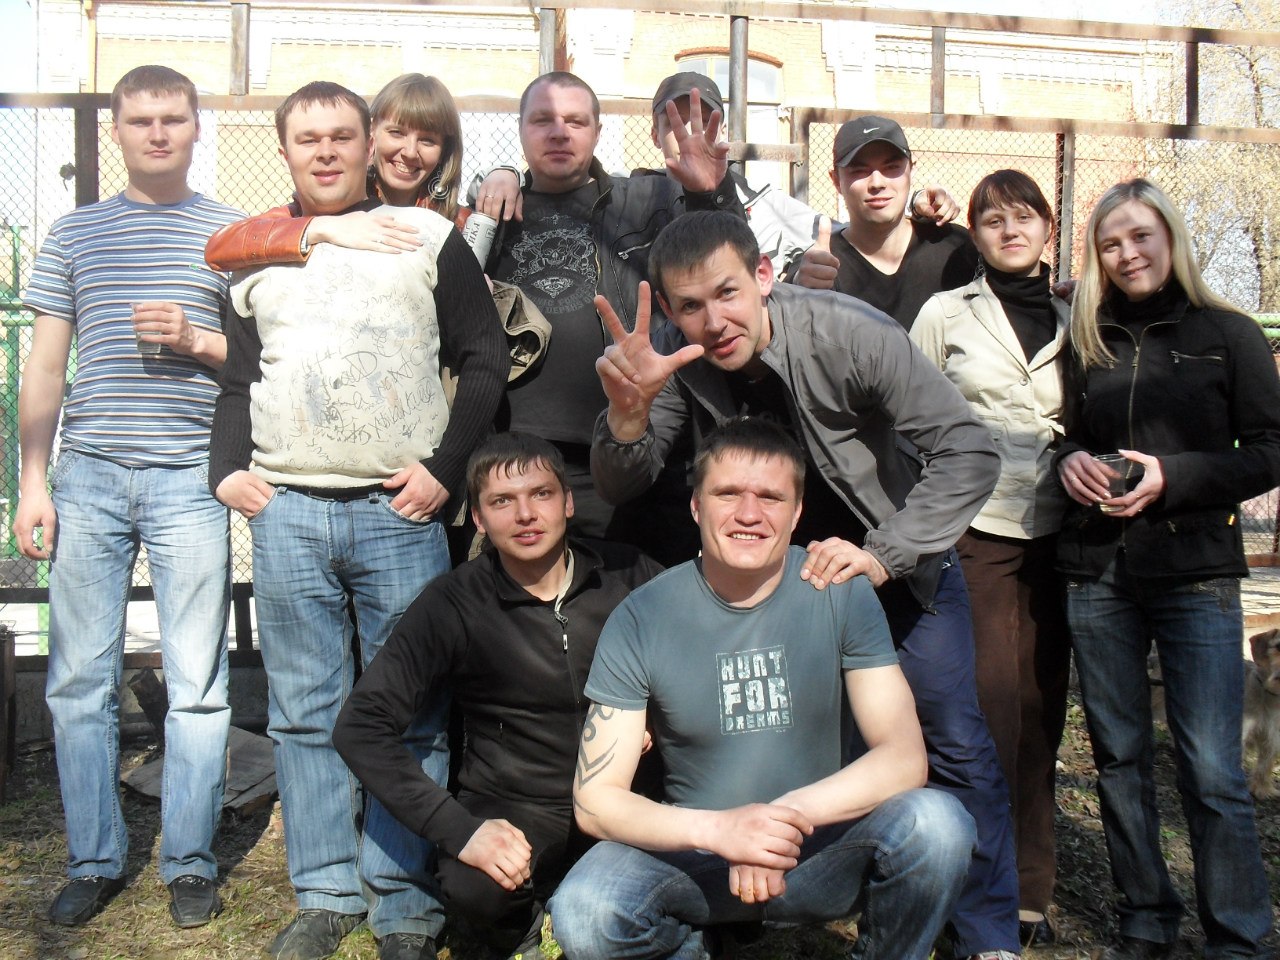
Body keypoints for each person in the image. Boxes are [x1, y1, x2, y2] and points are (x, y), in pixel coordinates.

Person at [591, 209, 1023, 960]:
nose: (713, 322)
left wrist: (886, 553)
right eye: (690, 305)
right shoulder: (673, 355)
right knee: (758, 734)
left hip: (891, 563)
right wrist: (627, 418)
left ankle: (986, 936)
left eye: (727, 293)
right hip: (773, 577)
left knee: (950, 738)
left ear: (763, 276)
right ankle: (733, 907)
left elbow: (969, 450)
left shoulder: (848, 333)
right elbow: (623, 482)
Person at [209, 81, 507, 960]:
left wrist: (445, 471)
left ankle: (405, 903)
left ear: (368, 142)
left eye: (342, 135)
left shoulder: (425, 236)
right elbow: (238, 381)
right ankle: (326, 893)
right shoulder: (258, 254)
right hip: (288, 512)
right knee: (303, 713)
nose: (327, 152)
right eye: (309, 139)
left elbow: (485, 357)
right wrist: (226, 471)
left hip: (397, 514)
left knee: (410, 712)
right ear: (285, 151)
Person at [551, 417, 975, 960]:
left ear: (797, 512)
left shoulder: (837, 590)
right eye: (728, 494)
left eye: (771, 498)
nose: (749, 514)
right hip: (699, 855)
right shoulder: (642, 616)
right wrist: (724, 831)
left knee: (938, 826)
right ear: (696, 506)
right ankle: (696, 945)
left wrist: (777, 822)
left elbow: (903, 757)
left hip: (821, 847)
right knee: (585, 911)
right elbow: (595, 801)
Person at [13, 64, 241, 931]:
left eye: (172, 118)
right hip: (90, 478)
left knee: (198, 684)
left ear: (196, 125)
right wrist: (33, 481)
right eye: (140, 119)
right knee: (78, 680)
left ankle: (188, 860)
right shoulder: (75, 233)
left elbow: (258, 359)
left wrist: (196, 337)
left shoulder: (229, 233)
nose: (157, 132)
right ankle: (94, 858)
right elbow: (45, 368)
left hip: (190, 479)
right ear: (115, 129)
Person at [1054, 178, 1280, 960]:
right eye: (1111, 244)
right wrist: (1068, 461)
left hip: (1195, 570)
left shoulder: (1228, 332)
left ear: (1171, 238)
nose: (1127, 254)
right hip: (1099, 569)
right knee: (1119, 758)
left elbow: (1271, 450)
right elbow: (1064, 434)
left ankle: (1238, 937)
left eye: (1140, 237)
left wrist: (1173, 477)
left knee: (1211, 768)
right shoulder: (1089, 338)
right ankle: (1145, 919)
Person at [332, 432, 662, 959]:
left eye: (541, 494)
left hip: (628, 794)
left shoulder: (631, 575)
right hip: (518, 803)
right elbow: (360, 725)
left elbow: (707, 649)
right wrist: (460, 831)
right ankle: (524, 924)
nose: (525, 514)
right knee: (476, 888)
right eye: (502, 501)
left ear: (569, 502)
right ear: (479, 518)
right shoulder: (454, 602)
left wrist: (660, 719)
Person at [466, 71, 743, 562]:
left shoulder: (646, 201)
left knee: (627, 589)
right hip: (517, 458)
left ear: (597, 132)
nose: (559, 133)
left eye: (575, 121)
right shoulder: (492, 213)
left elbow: (724, 261)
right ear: (521, 130)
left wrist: (710, 193)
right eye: (543, 120)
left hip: (624, 447)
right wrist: (497, 175)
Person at [910, 170, 1072, 950]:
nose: (1011, 230)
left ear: (1048, 227)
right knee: (984, 716)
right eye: (993, 219)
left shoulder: (1079, 317)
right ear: (974, 234)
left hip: (1061, 535)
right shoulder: (946, 314)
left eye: (1024, 216)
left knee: (1042, 710)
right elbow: (909, 418)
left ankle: (1031, 888)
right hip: (975, 533)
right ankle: (977, 893)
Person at [204, 72, 464, 271]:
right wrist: (320, 226)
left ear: (445, 149)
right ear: (371, 139)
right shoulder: (334, 202)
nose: (410, 151)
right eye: (396, 133)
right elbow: (221, 246)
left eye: (428, 140)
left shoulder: (457, 222)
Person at [791, 115, 977, 330]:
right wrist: (797, 292)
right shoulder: (818, 265)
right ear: (836, 181)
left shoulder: (954, 247)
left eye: (891, 167)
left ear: (911, 170)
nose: (877, 183)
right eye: (859, 171)